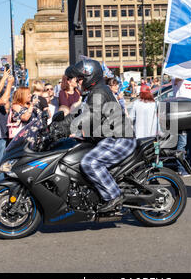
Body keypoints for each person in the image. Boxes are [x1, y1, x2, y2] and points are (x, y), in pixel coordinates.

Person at [55, 59, 136, 212]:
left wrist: (65, 129)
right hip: (108, 138)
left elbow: (89, 116)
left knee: (90, 163)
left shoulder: (99, 92)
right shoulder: (93, 92)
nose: (78, 82)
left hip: (120, 139)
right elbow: (79, 114)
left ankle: (114, 196)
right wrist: (57, 126)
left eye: (80, 78)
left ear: (89, 76)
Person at [172, 77, 191, 176]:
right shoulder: (178, 78)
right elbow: (176, 79)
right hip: (181, 116)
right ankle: (181, 168)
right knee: (182, 143)